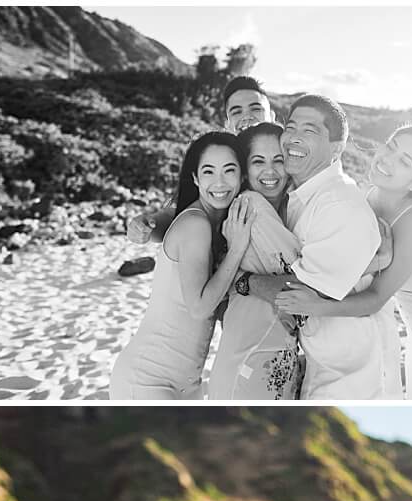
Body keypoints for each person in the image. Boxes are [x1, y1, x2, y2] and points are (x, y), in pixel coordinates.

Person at [276, 125, 412, 400]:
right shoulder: (368, 197)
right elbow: (361, 266)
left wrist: (316, 306)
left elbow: (375, 297)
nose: (387, 159)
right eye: (391, 146)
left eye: (405, 161)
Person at [243, 95, 384, 399]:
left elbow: (299, 292)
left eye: (309, 130)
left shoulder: (339, 203)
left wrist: (243, 281)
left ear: (337, 147)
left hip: (348, 372)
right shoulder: (301, 194)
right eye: (290, 126)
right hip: (317, 362)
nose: (293, 137)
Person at [110, 131, 254, 399]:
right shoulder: (195, 224)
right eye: (209, 172)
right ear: (196, 178)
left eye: (229, 170)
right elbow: (199, 308)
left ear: (242, 176)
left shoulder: (217, 226)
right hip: (147, 379)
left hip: (188, 384)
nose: (219, 182)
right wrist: (237, 249)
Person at [207, 122, 303, 400]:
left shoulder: (282, 211)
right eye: (258, 161)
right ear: (245, 171)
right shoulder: (252, 207)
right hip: (252, 354)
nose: (270, 171)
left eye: (279, 160)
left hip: (269, 351)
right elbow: (309, 280)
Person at [127, 75, 274, 246]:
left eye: (256, 109)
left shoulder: (289, 160)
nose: (246, 117)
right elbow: (178, 212)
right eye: (236, 111)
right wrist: (147, 226)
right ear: (227, 124)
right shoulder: (214, 158)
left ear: (271, 116)